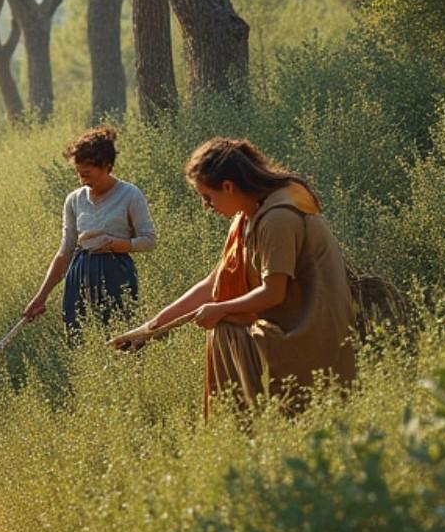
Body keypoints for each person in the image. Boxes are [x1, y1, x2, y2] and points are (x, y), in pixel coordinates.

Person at [112, 138, 356, 417]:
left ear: (228, 186)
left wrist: (222, 309)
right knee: (224, 324)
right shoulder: (247, 217)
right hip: (282, 326)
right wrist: (150, 329)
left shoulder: (278, 218)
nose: (207, 207)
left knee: (225, 329)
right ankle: (245, 430)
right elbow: (212, 285)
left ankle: (248, 428)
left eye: (208, 197)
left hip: (312, 334)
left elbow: (273, 293)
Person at [22, 126, 155, 332]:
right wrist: (40, 297)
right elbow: (65, 251)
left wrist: (118, 245)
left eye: (87, 173)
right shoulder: (74, 200)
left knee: (121, 337)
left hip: (116, 275)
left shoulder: (130, 194)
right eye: (79, 174)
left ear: (107, 166)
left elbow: (148, 240)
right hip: (80, 276)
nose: (83, 180)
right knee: (80, 338)